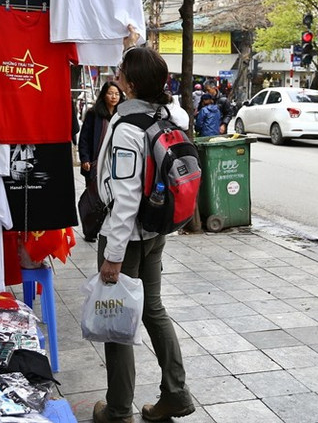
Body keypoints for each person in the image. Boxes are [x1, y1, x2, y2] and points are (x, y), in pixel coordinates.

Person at [94, 45, 194, 423]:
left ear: (132, 83)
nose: (116, 74)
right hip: (156, 230)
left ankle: (118, 408)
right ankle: (176, 394)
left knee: (116, 316)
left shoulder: (127, 129)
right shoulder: (167, 115)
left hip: (128, 237)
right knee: (153, 310)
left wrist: (113, 255)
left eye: (122, 71)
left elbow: (124, 197)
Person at [78, 82, 124, 241]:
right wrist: (85, 158)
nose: (114, 97)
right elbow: (84, 138)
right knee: (94, 199)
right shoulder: (93, 114)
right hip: (95, 163)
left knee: (114, 197)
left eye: (117, 94)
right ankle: (90, 230)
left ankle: (108, 227)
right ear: (104, 94)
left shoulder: (122, 115)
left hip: (116, 164)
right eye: (111, 93)